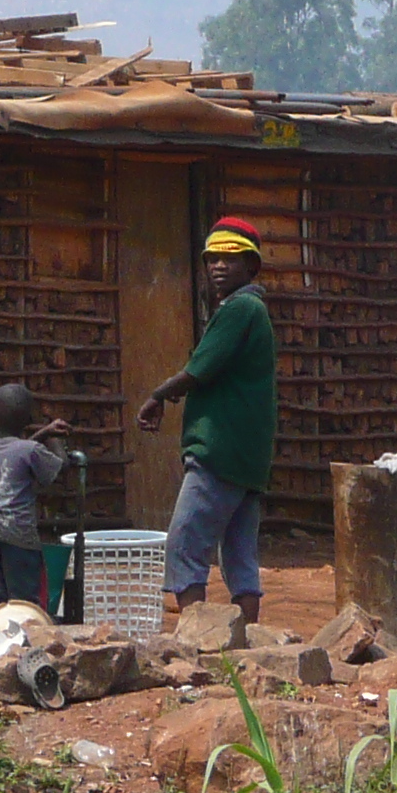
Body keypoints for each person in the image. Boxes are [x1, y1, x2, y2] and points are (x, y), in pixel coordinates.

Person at [137, 215, 276, 622]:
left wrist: (157, 396)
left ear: (252, 267)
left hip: (220, 448)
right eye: (212, 259)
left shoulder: (241, 309)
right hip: (247, 454)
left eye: (230, 260)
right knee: (238, 552)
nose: (218, 266)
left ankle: (195, 634)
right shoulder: (252, 310)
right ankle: (247, 638)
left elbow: (200, 369)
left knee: (184, 542)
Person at [0, 381, 72, 611]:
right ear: (27, 421)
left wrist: (42, 433)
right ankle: (25, 645)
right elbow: (60, 466)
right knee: (25, 606)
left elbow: (13, 450)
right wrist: (52, 438)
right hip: (20, 541)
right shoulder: (31, 451)